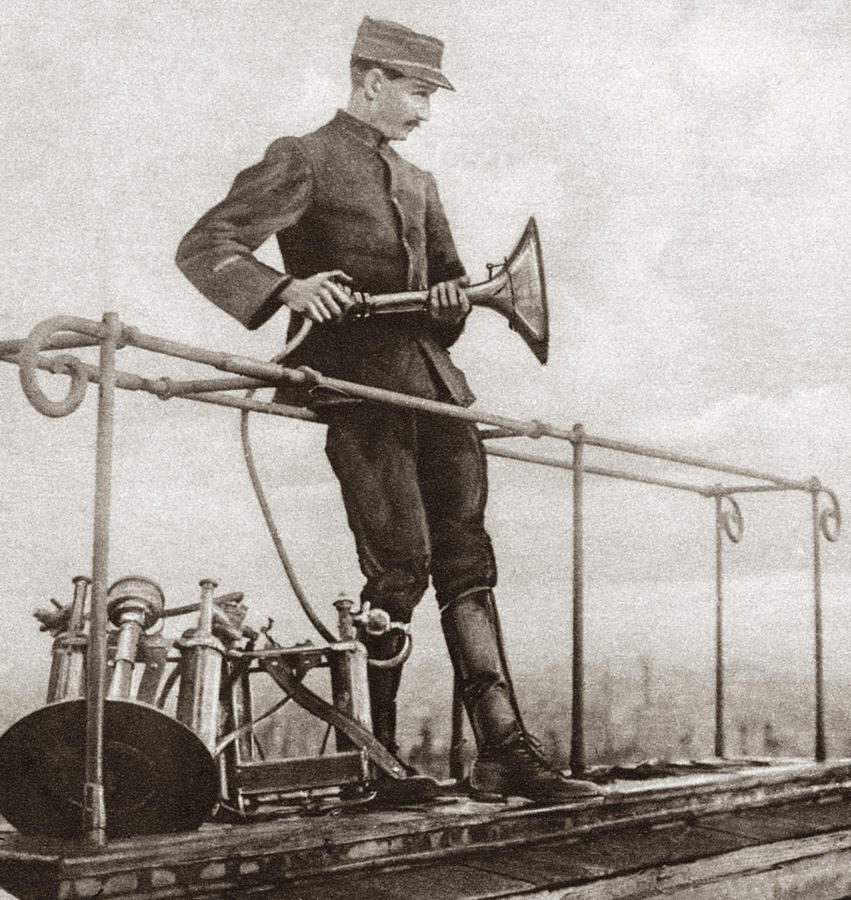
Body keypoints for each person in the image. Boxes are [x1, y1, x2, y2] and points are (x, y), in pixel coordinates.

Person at [176, 16, 603, 805]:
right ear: (369, 80)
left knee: (467, 564)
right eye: (415, 93)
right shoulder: (299, 158)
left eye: (430, 96)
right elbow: (207, 246)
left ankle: (505, 751)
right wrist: (284, 289)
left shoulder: (417, 182)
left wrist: (450, 302)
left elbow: (446, 302)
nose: (423, 111)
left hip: (436, 391)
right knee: (399, 565)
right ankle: (374, 763)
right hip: (356, 386)